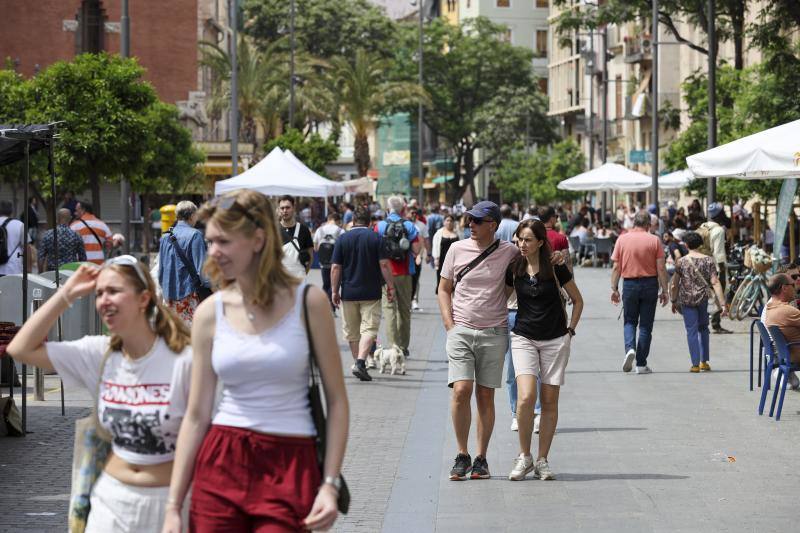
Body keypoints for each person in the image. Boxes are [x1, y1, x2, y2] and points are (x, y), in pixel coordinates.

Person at [163, 190, 348, 533]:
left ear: (258, 239)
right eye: (211, 240)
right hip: (222, 459)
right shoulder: (210, 312)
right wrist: (173, 505)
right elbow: (197, 413)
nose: (213, 251)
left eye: (224, 241)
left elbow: (337, 402)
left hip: (289, 459)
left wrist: (329, 484)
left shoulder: (309, 303)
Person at [6, 257, 192, 532]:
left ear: (144, 299)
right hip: (110, 503)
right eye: (99, 293)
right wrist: (66, 294)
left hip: (169, 505)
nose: (104, 300)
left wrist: (176, 507)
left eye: (114, 291)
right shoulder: (98, 353)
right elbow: (20, 348)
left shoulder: (184, 359)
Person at [437, 201, 520, 481]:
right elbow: (443, 289)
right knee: (461, 390)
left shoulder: (510, 252)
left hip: (494, 331)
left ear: (493, 225)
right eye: (469, 220)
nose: (470, 224)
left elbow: (535, 260)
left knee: (485, 395)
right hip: (461, 329)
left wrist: (558, 258)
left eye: (476, 221)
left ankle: (481, 458)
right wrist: (450, 324)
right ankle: (462, 454)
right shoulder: (456, 249)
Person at [506, 219, 583, 481]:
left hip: (554, 339)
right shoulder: (514, 267)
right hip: (524, 337)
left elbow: (577, 300)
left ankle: (542, 460)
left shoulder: (556, 267)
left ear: (540, 241)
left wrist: (570, 331)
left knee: (550, 401)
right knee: (526, 397)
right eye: (519, 239)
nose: (521, 244)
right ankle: (524, 456)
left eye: (527, 239)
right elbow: (500, 298)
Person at [331, 207, 395, 381]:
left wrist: (334, 290)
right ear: (370, 222)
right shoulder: (376, 238)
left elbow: (336, 267)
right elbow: (384, 265)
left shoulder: (342, 239)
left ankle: (359, 363)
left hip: (348, 292)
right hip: (371, 292)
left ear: (352, 220)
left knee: (352, 332)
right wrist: (391, 287)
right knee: (369, 329)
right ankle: (360, 362)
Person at [610, 210, 669, 374]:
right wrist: (665, 290)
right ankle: (641, 364)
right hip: (650, 283)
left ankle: (630, 348)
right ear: (648, 225)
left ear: (634, 223)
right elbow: (661, 268)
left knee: (629, 321)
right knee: (645, 325)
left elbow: (616, 267)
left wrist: (614, 288)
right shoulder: (654, 240)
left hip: (629, 284)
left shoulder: (622, 239)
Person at [669, 232, 728, 372]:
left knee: (691, 331)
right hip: (703, 299)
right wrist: (723, 304)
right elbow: (715, 282)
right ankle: (704, 362)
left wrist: (673, 299)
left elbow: (674, 284)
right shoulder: (708, 260)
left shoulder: (681, 261)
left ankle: (695, 364)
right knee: (703, 329)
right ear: (700, 244)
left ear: (687, 245)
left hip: (687, 300)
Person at [376, 196, 421, 359]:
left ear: (387, 210)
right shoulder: (409, 226)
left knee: (389, 310)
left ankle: (393, 345)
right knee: (404, 310)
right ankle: (404, 346)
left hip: (386, 273)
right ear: (403, 210)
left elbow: (375, 250)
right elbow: (416, 249)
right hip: (404, 273)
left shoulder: (379, 226)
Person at [158, 201, 209, 325]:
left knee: (174, 335)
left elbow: (161, 270)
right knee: (192, 335)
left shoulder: (166, 237)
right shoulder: (195, 235)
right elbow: (202, 269)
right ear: (192, 216)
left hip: (169, 296)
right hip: (188, 295)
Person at [701, 202, 733, 334]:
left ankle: (703, 323)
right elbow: (719, 254)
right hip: (715, 267)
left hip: (701, 265)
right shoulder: (719, 230)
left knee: (705, 295)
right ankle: (716, 324)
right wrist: (722, 271)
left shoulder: (703, 226)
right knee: (719, 295)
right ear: (720, 215)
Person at [278, 195, 314, 280]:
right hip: (279, 280)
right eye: (282, 208)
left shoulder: (303, 230)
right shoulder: (273, 230)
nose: (284, 211)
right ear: (279, 209)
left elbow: (311, 257)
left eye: (287, 207)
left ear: (293, 208)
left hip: (299, 279)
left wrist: (303, 274)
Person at [314, 212, 345, 312]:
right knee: (334, 284)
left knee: (325, 284)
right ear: (337, 220)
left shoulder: (320, 229)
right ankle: (332, 306)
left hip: (323, 262)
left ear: (328, 219)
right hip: (336, 262)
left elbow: (315, 247)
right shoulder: (340, 231)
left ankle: (324, 306)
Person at [70, 201, 111, 265]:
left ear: (83, 210)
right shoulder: (102, 225)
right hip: (99, 262)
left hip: (81, 263)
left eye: (77, 210)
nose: (75, 213)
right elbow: (110, 244)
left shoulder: (74, 226)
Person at [432, 214, 460, 294]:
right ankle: (442, 297)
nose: (449, 222)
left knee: (453, 281)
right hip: (442, 260)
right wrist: (436, 258)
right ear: (444, 222)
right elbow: (435, 246)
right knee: (441, 280)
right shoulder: (439, 233)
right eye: (447, 220)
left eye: (451, 221)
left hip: (454, 261)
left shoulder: (456, 233)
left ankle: (452, 301)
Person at [408, 207, 430, 312]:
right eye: (411, 212)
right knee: (407, 278)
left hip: (418, 256)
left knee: (416, 278)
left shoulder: (421, 225)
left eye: (414, 213)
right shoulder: (404, 224)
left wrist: (428, 254)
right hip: (406, 257)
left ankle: (414, 300)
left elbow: (426, 240)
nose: (412, 214)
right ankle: (407, 300)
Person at [0, 200, 26, 277]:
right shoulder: (20, 224)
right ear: (11, 211)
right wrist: (28, 269)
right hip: (13, 267)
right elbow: (27, 248)